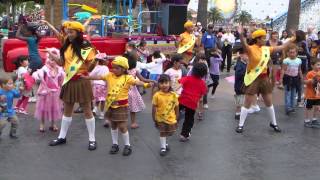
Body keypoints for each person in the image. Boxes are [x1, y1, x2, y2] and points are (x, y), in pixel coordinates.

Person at [85, 56, 153, 156]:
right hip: (111, 106)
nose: (114, 70)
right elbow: (98, 77)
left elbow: (136, 82)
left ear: (124, 69)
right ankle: (115, 144)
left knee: (122, 126)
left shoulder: (127, 77)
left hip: (121, 106)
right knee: (113, 125)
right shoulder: (109, 75)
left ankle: (127, 145)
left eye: (117, 68)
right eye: (113, 67)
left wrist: (146, 85)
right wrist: (86, 77)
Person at [48, 21, 98, 151]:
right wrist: (52, 55)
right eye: (67, 32)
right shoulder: (66, 45)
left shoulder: (86, 47)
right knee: (67, 110)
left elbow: (90, 68)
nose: (68, 34)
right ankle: (62, 137)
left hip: (82, 80)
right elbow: (61, 63)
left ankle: (92, 139)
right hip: (69, 80)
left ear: (78, 33)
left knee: (87, 110)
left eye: (71, 32)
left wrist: (96, 60)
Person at [236, 26, 296, 133]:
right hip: (253, 78)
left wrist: (292, 38)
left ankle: (274, 123)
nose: (265, 39)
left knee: (269, 102)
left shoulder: (266, 49)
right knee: (247, 103)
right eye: (263, 38)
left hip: (264, 78)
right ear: (257, 39)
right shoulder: (250, 48)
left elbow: (282, 47)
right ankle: (240, 125)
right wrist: (241, 34)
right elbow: (244, 44)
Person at [32, 48, 65, 132]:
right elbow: (37, 75)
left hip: (55, 92)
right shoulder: (45, 68)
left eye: (54, 59)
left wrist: (63, 91)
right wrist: (38, 76)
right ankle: (42, 124)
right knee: (43, 109)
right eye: (50, 58)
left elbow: (61, 81)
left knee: (54, 108)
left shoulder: (60, 69)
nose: (52, 61)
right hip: (46, 92)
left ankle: (53, 124)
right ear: (48, 58)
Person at [125, 52, 154, 129]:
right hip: (133, 92)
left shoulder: (124, 71)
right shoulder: (135, 71)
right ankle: (133, 123)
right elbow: (143, 79)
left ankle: (122, 122)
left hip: (124, 91)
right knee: (132, 109)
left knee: (123, 108)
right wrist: (152, 80)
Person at [179, 63, 207, 141]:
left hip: (182, 100)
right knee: (189, 119)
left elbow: (178, 83)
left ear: (193, 70)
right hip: (192, 103)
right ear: (204, 73)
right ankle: (184, 135)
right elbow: (202, 95)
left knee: (175, 112)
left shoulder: (187, 78)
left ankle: (171, 123)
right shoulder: (203, 83)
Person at [152, 74, 179, 156]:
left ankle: (165, 143)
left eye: (166, 82)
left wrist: (177, 117)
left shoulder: (173, 95)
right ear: (158, 84)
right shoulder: (157, 95)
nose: (164, 85)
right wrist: (154, 118)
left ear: (170, 83)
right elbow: (154, 107)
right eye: (161, 83)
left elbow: (177, 106)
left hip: (171, 118)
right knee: (162, 132)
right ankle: (163, 147)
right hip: (160, 119)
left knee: (170, 132)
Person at [279, 44, 303, 115]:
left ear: (296, 53)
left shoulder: (299, 60)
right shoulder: (286, 61)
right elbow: (283, 70)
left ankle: (292, 107)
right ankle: (288, 107)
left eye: (293, 52)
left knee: (293, 93)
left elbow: (299, 70)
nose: (292, 54)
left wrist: (301, 77)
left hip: (295, 79)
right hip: (288, 78)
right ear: (287, 53)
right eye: (290, 52)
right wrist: (281, 79)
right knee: (288, 94)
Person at [0, 72, 23, 139]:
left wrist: (20, 91)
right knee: (2, 124)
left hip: (10, 111)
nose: (12, 85)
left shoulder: (12, 91)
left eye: (12, 83)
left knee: (16, 122)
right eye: (9, 84)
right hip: (1, 112)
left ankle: (12, 133)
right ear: (3, 85)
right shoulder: (0, 92)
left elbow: (18, 95)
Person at [89, 53, 109, 123]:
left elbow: (91, 75)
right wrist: (107, 85)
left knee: (97, 99)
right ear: (103, 61)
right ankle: (102, 114)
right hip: (103, 85)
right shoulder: (106, 68)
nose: (108, 61)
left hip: (96, 85)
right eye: (107, 59)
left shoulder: (96, 67)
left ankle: (95, 109)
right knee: (103, 100)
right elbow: (107, 78)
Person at [303, 58, 320, 128]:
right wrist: (310, 81)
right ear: (312, 66)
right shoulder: (310, 73)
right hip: (309, 95)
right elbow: (305, 82)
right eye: (318, 65)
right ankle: (306, 120)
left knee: (317, 107)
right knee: (308, 108)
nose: (319, 66)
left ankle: (314, 119)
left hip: (318, 95)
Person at [234, 48, 247, 120]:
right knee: (239, 99)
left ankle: (241, 112)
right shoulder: (240, 64)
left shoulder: (245, 63)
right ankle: (237, 113)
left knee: (243, 99)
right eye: (246, 55)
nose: (248, 56)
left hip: (244, 85)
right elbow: (238, 74)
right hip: (239, 85)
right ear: (241, 55)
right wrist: (246, 71)